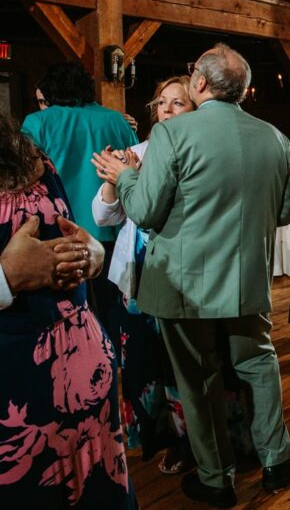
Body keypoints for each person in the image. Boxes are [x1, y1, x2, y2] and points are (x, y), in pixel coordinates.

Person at [92, 44, 290, 507]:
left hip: (184, 285)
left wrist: (125, 175)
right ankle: (277, 460)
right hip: (246, 281)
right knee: (260, 368)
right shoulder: (275, 138)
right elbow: (287, 211)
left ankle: (216, 478)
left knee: (198, 378)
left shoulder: (174, 135)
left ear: (201, 84)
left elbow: (146, 212)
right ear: (244, 90)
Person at [0, 111, 134, 507]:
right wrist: (7, 277)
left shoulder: (31, 153)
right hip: (18, 399)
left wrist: (90, 255)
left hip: (85, 383)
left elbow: (65, 228)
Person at [92, 75, 199, 472]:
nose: (167, 110)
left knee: (179, 365)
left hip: (178, 274)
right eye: (162, 102)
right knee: (141, 362)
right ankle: (160, 437)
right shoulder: (136, 149)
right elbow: (104, 215)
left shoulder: (196, 153)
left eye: (179, 103)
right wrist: (111, 182)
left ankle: (192, 442)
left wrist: (130, 178)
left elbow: (160, 211)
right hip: (134, 276)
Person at [22, 62, 139, 357]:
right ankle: (118, 364)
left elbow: (25, 177)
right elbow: (136, 167)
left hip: (62, 231)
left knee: (73, 313)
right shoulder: (116, 121)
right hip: (111, 228)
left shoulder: (38, 123)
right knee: (114, 308)